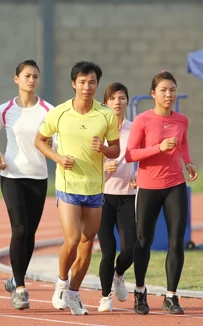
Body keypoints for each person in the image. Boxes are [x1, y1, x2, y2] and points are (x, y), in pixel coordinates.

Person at [35, 61, 120, 315]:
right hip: (68, 184)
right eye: (82, 82)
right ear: (74, 84)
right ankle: (61, 282)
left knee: (87, 242)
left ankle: (73, 292)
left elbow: (116, 149)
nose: (87, 87)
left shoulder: (106, 114)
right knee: (72, 239)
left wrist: (104, 149)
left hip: (94, 187)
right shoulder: (59, 113)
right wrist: (58, 158)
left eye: (92, 82)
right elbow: (39, 140)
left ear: (97, 84)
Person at [125, 71, 198, 316]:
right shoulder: (143, 121)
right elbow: (130, 155)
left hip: (175, 185)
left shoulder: (182, 120)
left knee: (176, 242)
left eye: (172, 90)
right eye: (164, 90)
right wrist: (158, 148)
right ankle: (139, 290)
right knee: (143, 241)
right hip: (148, 187)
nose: (169, 95)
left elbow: (184, 144)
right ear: (153, 94)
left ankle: (171, 296)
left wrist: (187, 163)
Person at [0, 60, 54, 310]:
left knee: (31, 234)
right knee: (20, 229)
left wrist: (56, 153)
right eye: (27, 76)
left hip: (38, 177)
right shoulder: (4, 110)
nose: (31, 80)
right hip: (12, 175)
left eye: (35, 76)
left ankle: (15, 278)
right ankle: (22, 288)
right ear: (17, 79)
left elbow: (55, 141)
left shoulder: (48, 110)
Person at [97, 82, 137, 312]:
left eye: (121, 98)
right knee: (108, 251)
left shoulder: (134, 129)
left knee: (130, 249)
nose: (117, 102)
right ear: (106, 102)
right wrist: (104, 170)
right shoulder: (99, 130)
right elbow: (90, 164)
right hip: (103, 197)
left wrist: (139, 173)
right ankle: (105, 297)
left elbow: (143, 157)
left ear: (127, 101)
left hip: (128, 196)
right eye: (113, 98)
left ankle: (119, 275)